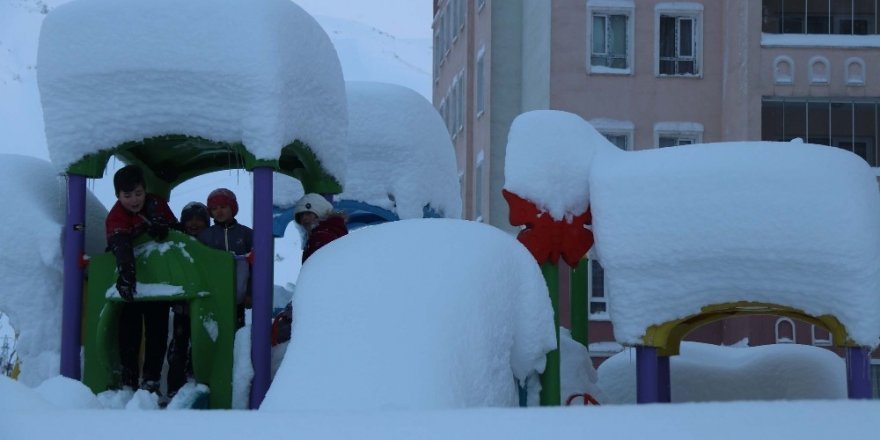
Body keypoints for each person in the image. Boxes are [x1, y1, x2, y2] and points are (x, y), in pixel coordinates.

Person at [105, 165, 179, 393]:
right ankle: (129, 378)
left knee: (157, 331)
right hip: (132, 283)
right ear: (118, 196)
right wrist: (126, 275)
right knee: (129, 331)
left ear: (145, 190)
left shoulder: (156, 204)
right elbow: (121, 246)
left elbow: (177, 231)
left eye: (138, 193)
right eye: (127, 196)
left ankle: (152, 379)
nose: (134, 200)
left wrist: (163, 227)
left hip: (159, 281)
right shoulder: (116, 216)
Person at [272, 193, 348, 346]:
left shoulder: (322, 236)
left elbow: (319, 272)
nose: (304, 220)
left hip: (319, 296)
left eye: (308, 213)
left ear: (320, 210)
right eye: (301, 217)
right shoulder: (334, 232)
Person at [166, 202, 210, 398]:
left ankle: (196, 378)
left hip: (204, 305)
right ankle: (175, 385)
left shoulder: (209, 243)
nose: (194, 224)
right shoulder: (178, 242)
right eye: (189, 220)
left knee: (201, 342)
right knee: (179, 344)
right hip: (182, 306)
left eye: (199, 219)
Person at [197, 188, 253, 329]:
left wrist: (250, 293)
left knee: (236, 329)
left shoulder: (246, 234)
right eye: (214, 208)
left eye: (223, 207)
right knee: (215, 330)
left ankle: (237, 350)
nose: (219, 212)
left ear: (232, 208)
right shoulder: (206, 236)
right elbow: (199, 266)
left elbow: (255, 266)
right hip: (213, 296)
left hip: (238, 298)